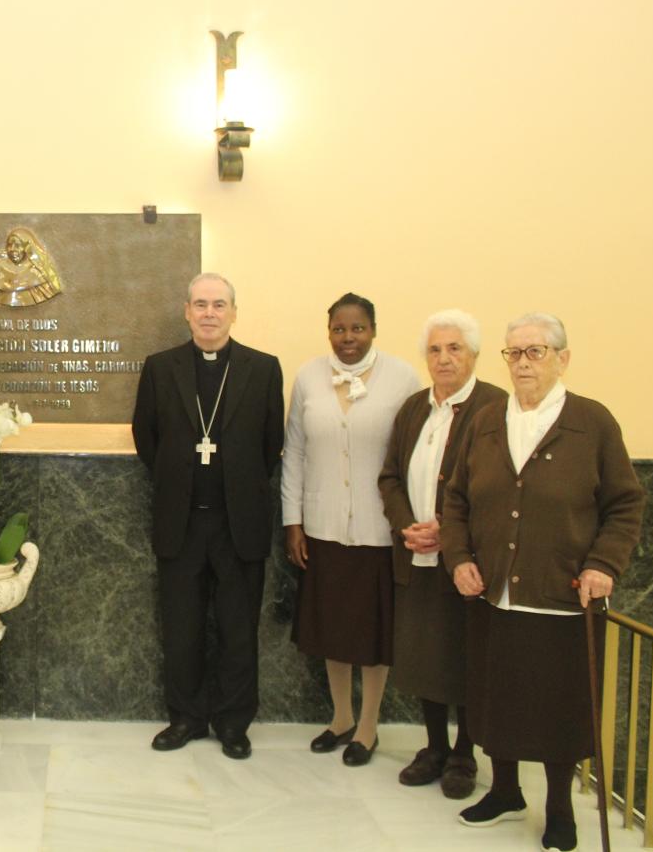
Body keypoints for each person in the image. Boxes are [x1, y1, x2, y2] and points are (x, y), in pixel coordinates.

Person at [442, 313, 643, 852]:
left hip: (561, 593)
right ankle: (505, 791)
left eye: (536, 351)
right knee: (495, 698)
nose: (523, 363)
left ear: (562, 358)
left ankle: (558, 808)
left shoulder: (592, 422)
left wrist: (604, 564)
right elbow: (456, 499)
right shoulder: (487, 420)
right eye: (514, 353)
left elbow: (625, 504)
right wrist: (458, 557)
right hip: (493, 592)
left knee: (557, 708)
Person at [131, 272, 284, 759]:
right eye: (201, 304)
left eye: (219, 304)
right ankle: (186, 717)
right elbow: (146, 437)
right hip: (182, 521)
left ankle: (234, 723)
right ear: (187, 311)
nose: (210, 313)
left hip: (239, 522)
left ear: (234, 312)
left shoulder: (263, 368)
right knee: (182, 629)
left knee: (239, 630)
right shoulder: (161, 368)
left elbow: (271, 444)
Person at [282, 292, 420, 766]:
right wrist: (293, 520)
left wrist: (409, 520)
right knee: (333, 628)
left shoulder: (402, 378)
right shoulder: (308, 377)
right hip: (323, 527)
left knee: (372, 633)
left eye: (357, 328)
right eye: (339, 329)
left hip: (378, 529)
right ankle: (341, 717)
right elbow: (295, 452)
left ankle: (368, 726)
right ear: (329, 332)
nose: (348, 337)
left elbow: (411, 456)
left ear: (373, 330)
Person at [377, 309, 506, 799]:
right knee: (424, 655)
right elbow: (390, 475)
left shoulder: (494, 408)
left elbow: (497, 487)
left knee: (465, 656)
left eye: (454, 348)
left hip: (467, 559)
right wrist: (406, 525)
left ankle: (464, 755)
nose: (444, 358)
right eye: (435, 350)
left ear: (474, 354)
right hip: (415, 554)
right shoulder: (414, 408)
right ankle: (433, 747)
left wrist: (448, 531)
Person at [0, 227, 63, 306]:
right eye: (9, 245)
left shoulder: (38, 276)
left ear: (28, 247)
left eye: (18, 245)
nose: (12, 249)